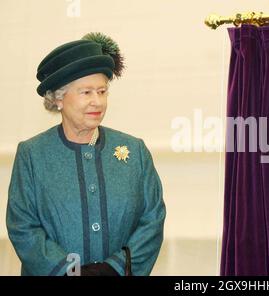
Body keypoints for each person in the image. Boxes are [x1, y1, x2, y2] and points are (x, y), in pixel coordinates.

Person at [6, 32, 166, 276]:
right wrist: (69, 271)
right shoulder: (32, 155)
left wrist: (114, 269)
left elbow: (152, 220)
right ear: (59, 98)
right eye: (86, 92)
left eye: (102, 92)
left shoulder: (135, 151)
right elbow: (23, 228)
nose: (97, 102)